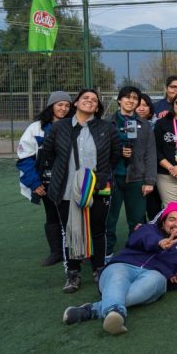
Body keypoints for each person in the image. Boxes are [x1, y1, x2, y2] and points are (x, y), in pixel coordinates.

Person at [62, 201, 177, 335]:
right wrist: (159, 243)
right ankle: (111, 312)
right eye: (172, 219)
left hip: (153, 275)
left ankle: (95, 309)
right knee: (117, 278)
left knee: (154, 282)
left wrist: (176, 281)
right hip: (124, 265)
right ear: (163, 221)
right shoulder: (147, 229)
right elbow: (138, 239)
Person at [38, 89, 121, 293]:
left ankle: (99, 269)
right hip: (66, 190)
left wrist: (101, 177)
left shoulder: (106, 128)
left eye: (94, 100)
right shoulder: (60, 128)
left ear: (97, 107)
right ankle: (73, 274)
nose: (89, 102)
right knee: (71, 231)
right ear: (76, 102)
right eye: (85, 98)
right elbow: (46, 154)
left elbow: (115, 154)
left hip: (97, 189)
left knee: (98, 231)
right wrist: (54, 176)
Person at [17, 90, 71, 266]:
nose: (63, 108)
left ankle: (75, 251)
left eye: (67, 105)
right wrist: (34, 183)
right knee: (52, 216)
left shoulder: (75, 125)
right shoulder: (36, 128)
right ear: (51, 106)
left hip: (71, 181)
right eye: (59, 105)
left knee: (74, 216)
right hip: (47, 182)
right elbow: (25, 159)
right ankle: (56, 252)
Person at [106, 87, 156, 257]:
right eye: (127, 97)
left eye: (135, 98)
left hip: (136, 178)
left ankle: (135, 252)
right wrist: (118, 151)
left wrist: (149, 181)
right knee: (109, 219)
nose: (131, 100)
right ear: (119, 100)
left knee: (137, 220)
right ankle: (106, 253)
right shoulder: (108, 123)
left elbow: (150, 153)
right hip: (112, 178)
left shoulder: (144, 125)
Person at [136, 93, 161, 220]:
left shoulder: (159, 125)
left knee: (154, 208)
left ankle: (155, 235)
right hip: (136, 174)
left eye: (145, 105)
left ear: (150, 109)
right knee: (137, 211)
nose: (141, 108)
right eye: (138, 105)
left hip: (155, 172)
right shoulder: (128, 125)